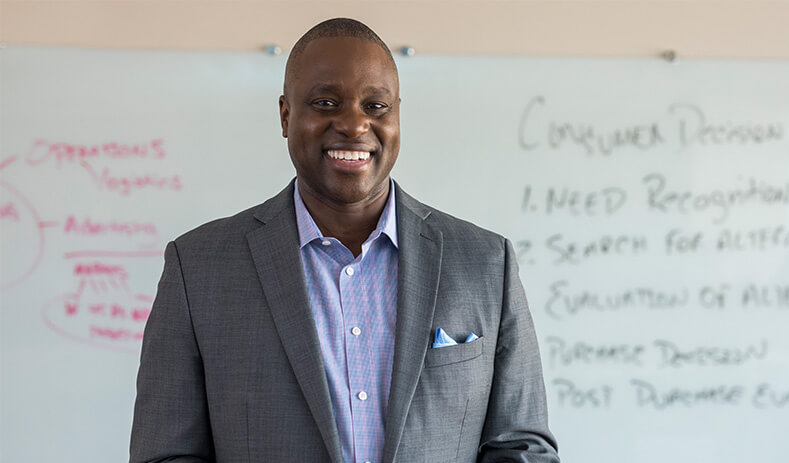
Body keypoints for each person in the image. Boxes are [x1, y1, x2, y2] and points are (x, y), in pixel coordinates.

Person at [130, 18, 558, 463]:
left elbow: (521, 448)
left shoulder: (486, 263)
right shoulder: (199, 268)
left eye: (376, 106)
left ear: (397, 116)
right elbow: (166, 454)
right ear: (285, 115)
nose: (354, 125)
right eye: (326, 102)